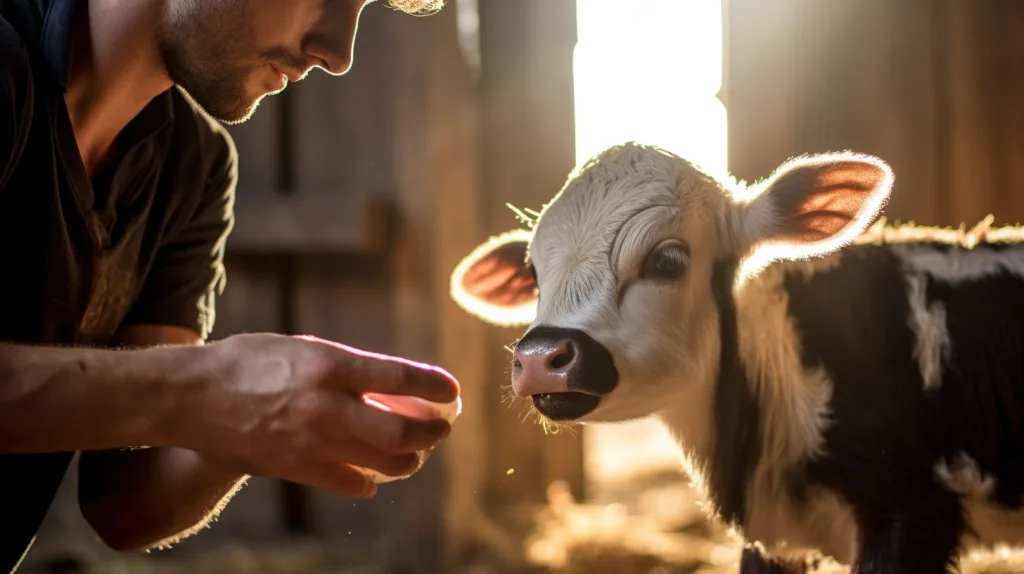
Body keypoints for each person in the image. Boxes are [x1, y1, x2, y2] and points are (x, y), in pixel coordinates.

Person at [0, 0, 459, 571]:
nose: (339, 54)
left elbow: (124, 504)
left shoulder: (194, 165)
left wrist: (248, 430)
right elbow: (182, 395)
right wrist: (204, 390)